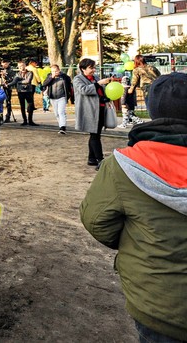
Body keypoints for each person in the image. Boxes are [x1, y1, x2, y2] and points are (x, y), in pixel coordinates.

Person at [80, 73, 187, 342]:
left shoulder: (123, 165)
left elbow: (96, 220)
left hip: (159, 301)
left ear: (151, 108)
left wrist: (137, 243)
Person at [73, 58, 112, 169]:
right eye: (91, 68)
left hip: (100, 109)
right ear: (83, 69)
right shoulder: (77, 79)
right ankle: (100, 160)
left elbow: (101, 92)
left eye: (94, 67)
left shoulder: (95, 78)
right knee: (95, 135)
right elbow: (84, 90)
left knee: (95, 134)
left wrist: (105, 97)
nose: (93, 70)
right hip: (89, 111)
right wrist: (98, 84)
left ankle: (91, 158)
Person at [42, 64, 73, 134]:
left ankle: (63, 127)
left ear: (59, 70)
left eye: (56, 71)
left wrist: (69, 94)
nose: (54, 72)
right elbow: (44, 84)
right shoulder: (49, 76)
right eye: (53, 71)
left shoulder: (64, 77)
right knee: (56, 113)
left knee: (61, 112)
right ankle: (60, 126)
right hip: (53, 97)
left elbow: (69, 84)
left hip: (62, 96)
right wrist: (51, 78)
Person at [8, 60, 37, 126]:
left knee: (30, 105)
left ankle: (30, 120)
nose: (21, 67)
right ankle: (25, 120)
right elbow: (14, 81)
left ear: (25, 66)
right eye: (20, 66)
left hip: (28, 91)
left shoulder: (30, 73)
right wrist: (8, 84)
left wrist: (19, 82)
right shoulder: (17, 74)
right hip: (20, 91)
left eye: (22, 66)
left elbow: (28, 81)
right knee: (22, 106)